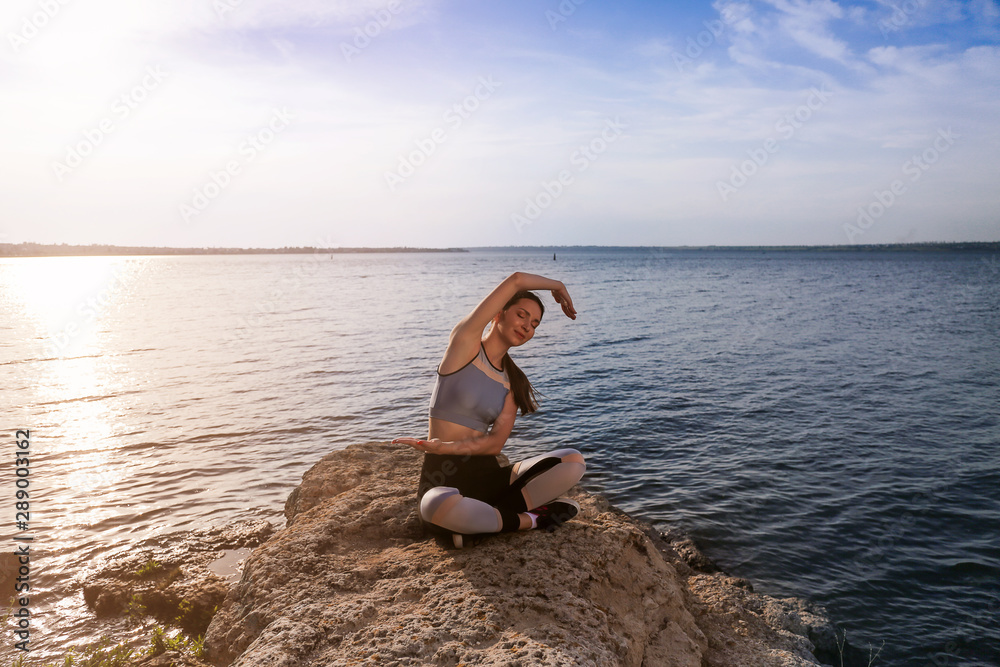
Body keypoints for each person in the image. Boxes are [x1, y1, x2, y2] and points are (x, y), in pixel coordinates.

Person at [392, 271, 587, 548]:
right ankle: (530, 520)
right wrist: (557, 286)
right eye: (521, 315)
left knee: (573, 462)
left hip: (489, 478)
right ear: (499, 313)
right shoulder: (465, 344)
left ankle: (484, 523)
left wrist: (445, 447)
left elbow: (495, 444)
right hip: (443, 480)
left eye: (534, 324)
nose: (527, 326)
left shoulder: (513, 381)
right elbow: (517, 280)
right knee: (439, 506)